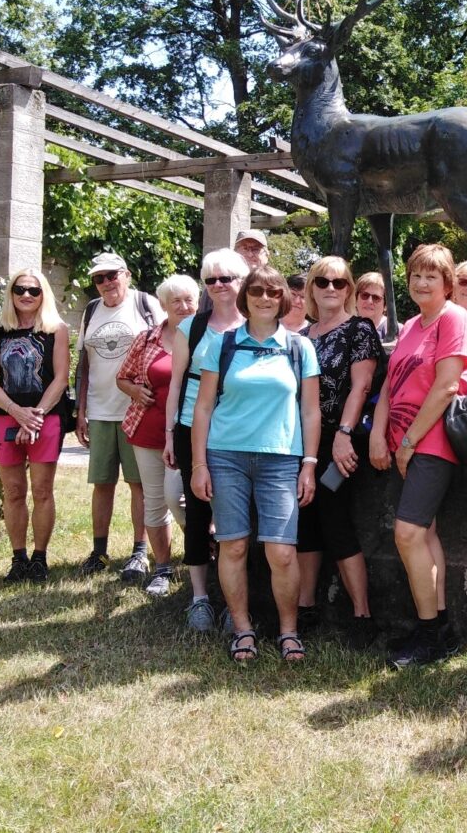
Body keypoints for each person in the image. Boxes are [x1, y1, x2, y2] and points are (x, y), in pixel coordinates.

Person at [191, 265, 321, 663]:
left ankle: (288, 631)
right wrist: (199, 464)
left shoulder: (300, 347)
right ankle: (242, 629)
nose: (265, 297)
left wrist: (310, 463)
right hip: (225, 456)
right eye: (257, 290)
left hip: (281, 459)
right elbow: (204, 406)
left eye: (272, 291)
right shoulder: (223, 343)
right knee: (233, 546)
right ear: (245, 296)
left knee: (282, 552)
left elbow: (311, 411)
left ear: (283, 297)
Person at [369, 243, 467, 669]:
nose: (422, 282)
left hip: (433, 443)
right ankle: (437, 629)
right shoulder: (412, 324)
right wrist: (380, 435)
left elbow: (448, 386)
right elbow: (390, 388)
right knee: (425, 536)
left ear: (448, 282)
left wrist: (409, 441)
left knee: (408, 534)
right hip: (403, 443)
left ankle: (430, 632)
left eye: (432, 275)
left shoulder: (454, 318)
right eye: (415, 274)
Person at [297, 256, 383, 646]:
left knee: (335, 520)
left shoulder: (359, 329)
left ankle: (363, 615)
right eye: (322, 282)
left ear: (349, 288)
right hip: (301, 439)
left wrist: (344, 433)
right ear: (311, 289)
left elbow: (361, 386)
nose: (331, 288)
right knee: (305, 523)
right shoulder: (302, 334)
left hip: (340, 438)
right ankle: (305, 606)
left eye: (339, 282)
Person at [163, 249, 248, 632]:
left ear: (242, 281)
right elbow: (176, 383)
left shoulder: (256, 324)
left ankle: (238, 601)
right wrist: (169, 435)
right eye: (210, 280)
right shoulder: (191, 329)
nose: (217, 286)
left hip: (239, 431)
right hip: (189, 427)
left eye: (225, 278)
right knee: (197, 512)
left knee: (239, 515)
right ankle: (199, 598)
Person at [75, 253, 164, 580]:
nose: (106, 283)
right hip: (99, 410)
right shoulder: (91, 310)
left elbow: (165, 347)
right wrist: (80, 410)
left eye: (112, 275)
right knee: (102, 483)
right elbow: (82, 365)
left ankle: (139, 553)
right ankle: (99, 552)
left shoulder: (146, 304)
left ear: (126, 274)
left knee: (138, 483)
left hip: (138, 410)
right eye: (99, 278)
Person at [0, 270, 70, 584]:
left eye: (34, 290)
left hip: (46, 418)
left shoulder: (56, 330)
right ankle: (18, 558)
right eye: (20, 289)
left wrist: (36, 416)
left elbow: (61, 379)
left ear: (43, 293)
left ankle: (39, 559)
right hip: (6, 417)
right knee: (14, 492)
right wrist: (18, 413)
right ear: (12, 293)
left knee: (43, 491)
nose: (27, 295)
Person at [116, 274, 199, 597]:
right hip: (146, 430)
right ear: (163, 305)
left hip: (187, 434)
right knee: (154, 503)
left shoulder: (207, 337)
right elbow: (122, 377)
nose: (183, 306)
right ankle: (163, 568)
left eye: (189, 299)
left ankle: (202, 552)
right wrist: (134, 389)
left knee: (176, 497)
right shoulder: (147, 338)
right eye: (175, 300)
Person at [355, 271, 389, 339]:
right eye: (365, 295)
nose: (369, 301)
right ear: (356, 299)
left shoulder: (396, 331)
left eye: (376, 298)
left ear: (385, 305)